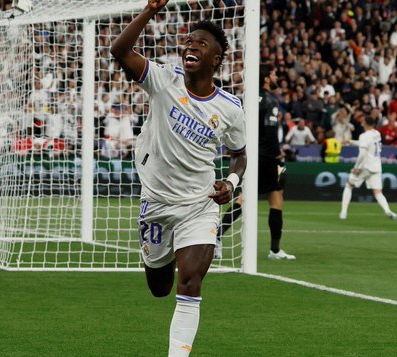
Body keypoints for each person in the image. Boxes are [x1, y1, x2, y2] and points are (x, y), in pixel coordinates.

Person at [110, 1, 247, 355]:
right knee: (159, 286)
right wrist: (149, 11)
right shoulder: (162, 79)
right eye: (188, 41)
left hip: (198, 206)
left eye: (201, 43)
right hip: (156, 203)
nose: (191, 46)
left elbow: (240, 156)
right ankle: (164, 254)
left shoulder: (230, 109)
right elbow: (119, 50)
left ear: (216, 59)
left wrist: (230, 185)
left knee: (190, 283)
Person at [215, 64, 295, 261]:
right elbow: (270, 131)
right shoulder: (271, 101)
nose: (277, 76)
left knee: (247, 199)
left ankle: (217, 237)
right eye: (275, 73)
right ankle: (274, 250)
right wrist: (277, 155)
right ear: (267, 78)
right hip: (266, 157)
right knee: (271, 200)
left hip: (248, 153)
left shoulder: (248, 99)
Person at [339, 116, 397, 221]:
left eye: (363, 122)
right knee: (378, 192)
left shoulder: (364, 136)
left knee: (349, 185)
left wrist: (356, 167)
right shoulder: (377, 134)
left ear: (365, 123)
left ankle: (343, 212)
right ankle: (388, 211)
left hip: (365, 166)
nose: (362, 124)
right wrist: (350, 141)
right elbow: (368, 144)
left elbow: (362, 153)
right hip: (376, 166)